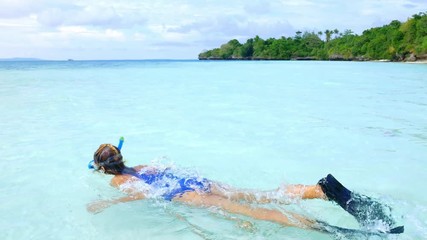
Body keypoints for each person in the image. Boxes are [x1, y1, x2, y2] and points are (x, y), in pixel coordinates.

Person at [87, 140, 403, 235]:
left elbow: (146, 195)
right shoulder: (142, 166)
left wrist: (109, 204)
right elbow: (168, 170)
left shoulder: (121, 180)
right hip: (197, 182)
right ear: (121, 156)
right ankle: (318, 190)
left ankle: (327, 229)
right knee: (261, 194)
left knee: (256, 212)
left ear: (102, 169)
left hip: (187, 195)